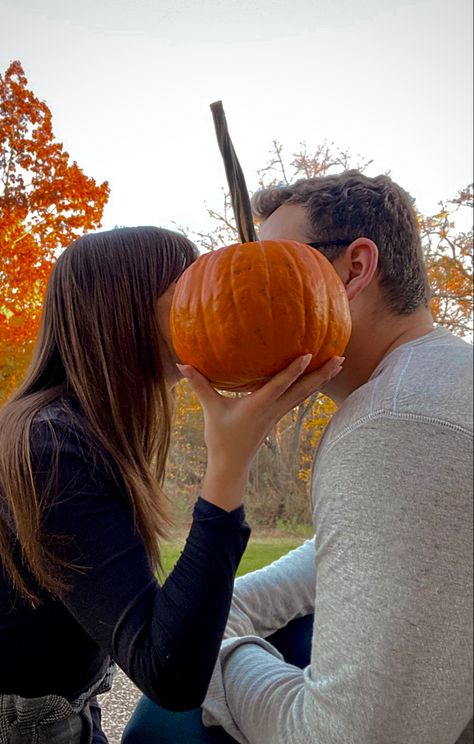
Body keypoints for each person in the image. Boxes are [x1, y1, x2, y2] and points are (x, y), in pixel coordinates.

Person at [122, 173, 473, 744]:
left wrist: (219, 654)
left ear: (355, 269)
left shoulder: (396, 425)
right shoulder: (438, 381)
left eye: (275, 267)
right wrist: (219, 615)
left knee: (168, 721)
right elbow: (339, 556)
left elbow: (345, 738)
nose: (251, 293)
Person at [0, 226, 343, 744]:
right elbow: (171, 674)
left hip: (61, 719)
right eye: (187, 290)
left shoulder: (64, 428)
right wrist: (229, 462)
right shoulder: (50, 449)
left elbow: (148, 622)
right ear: (125, 309)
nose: (210, 303)